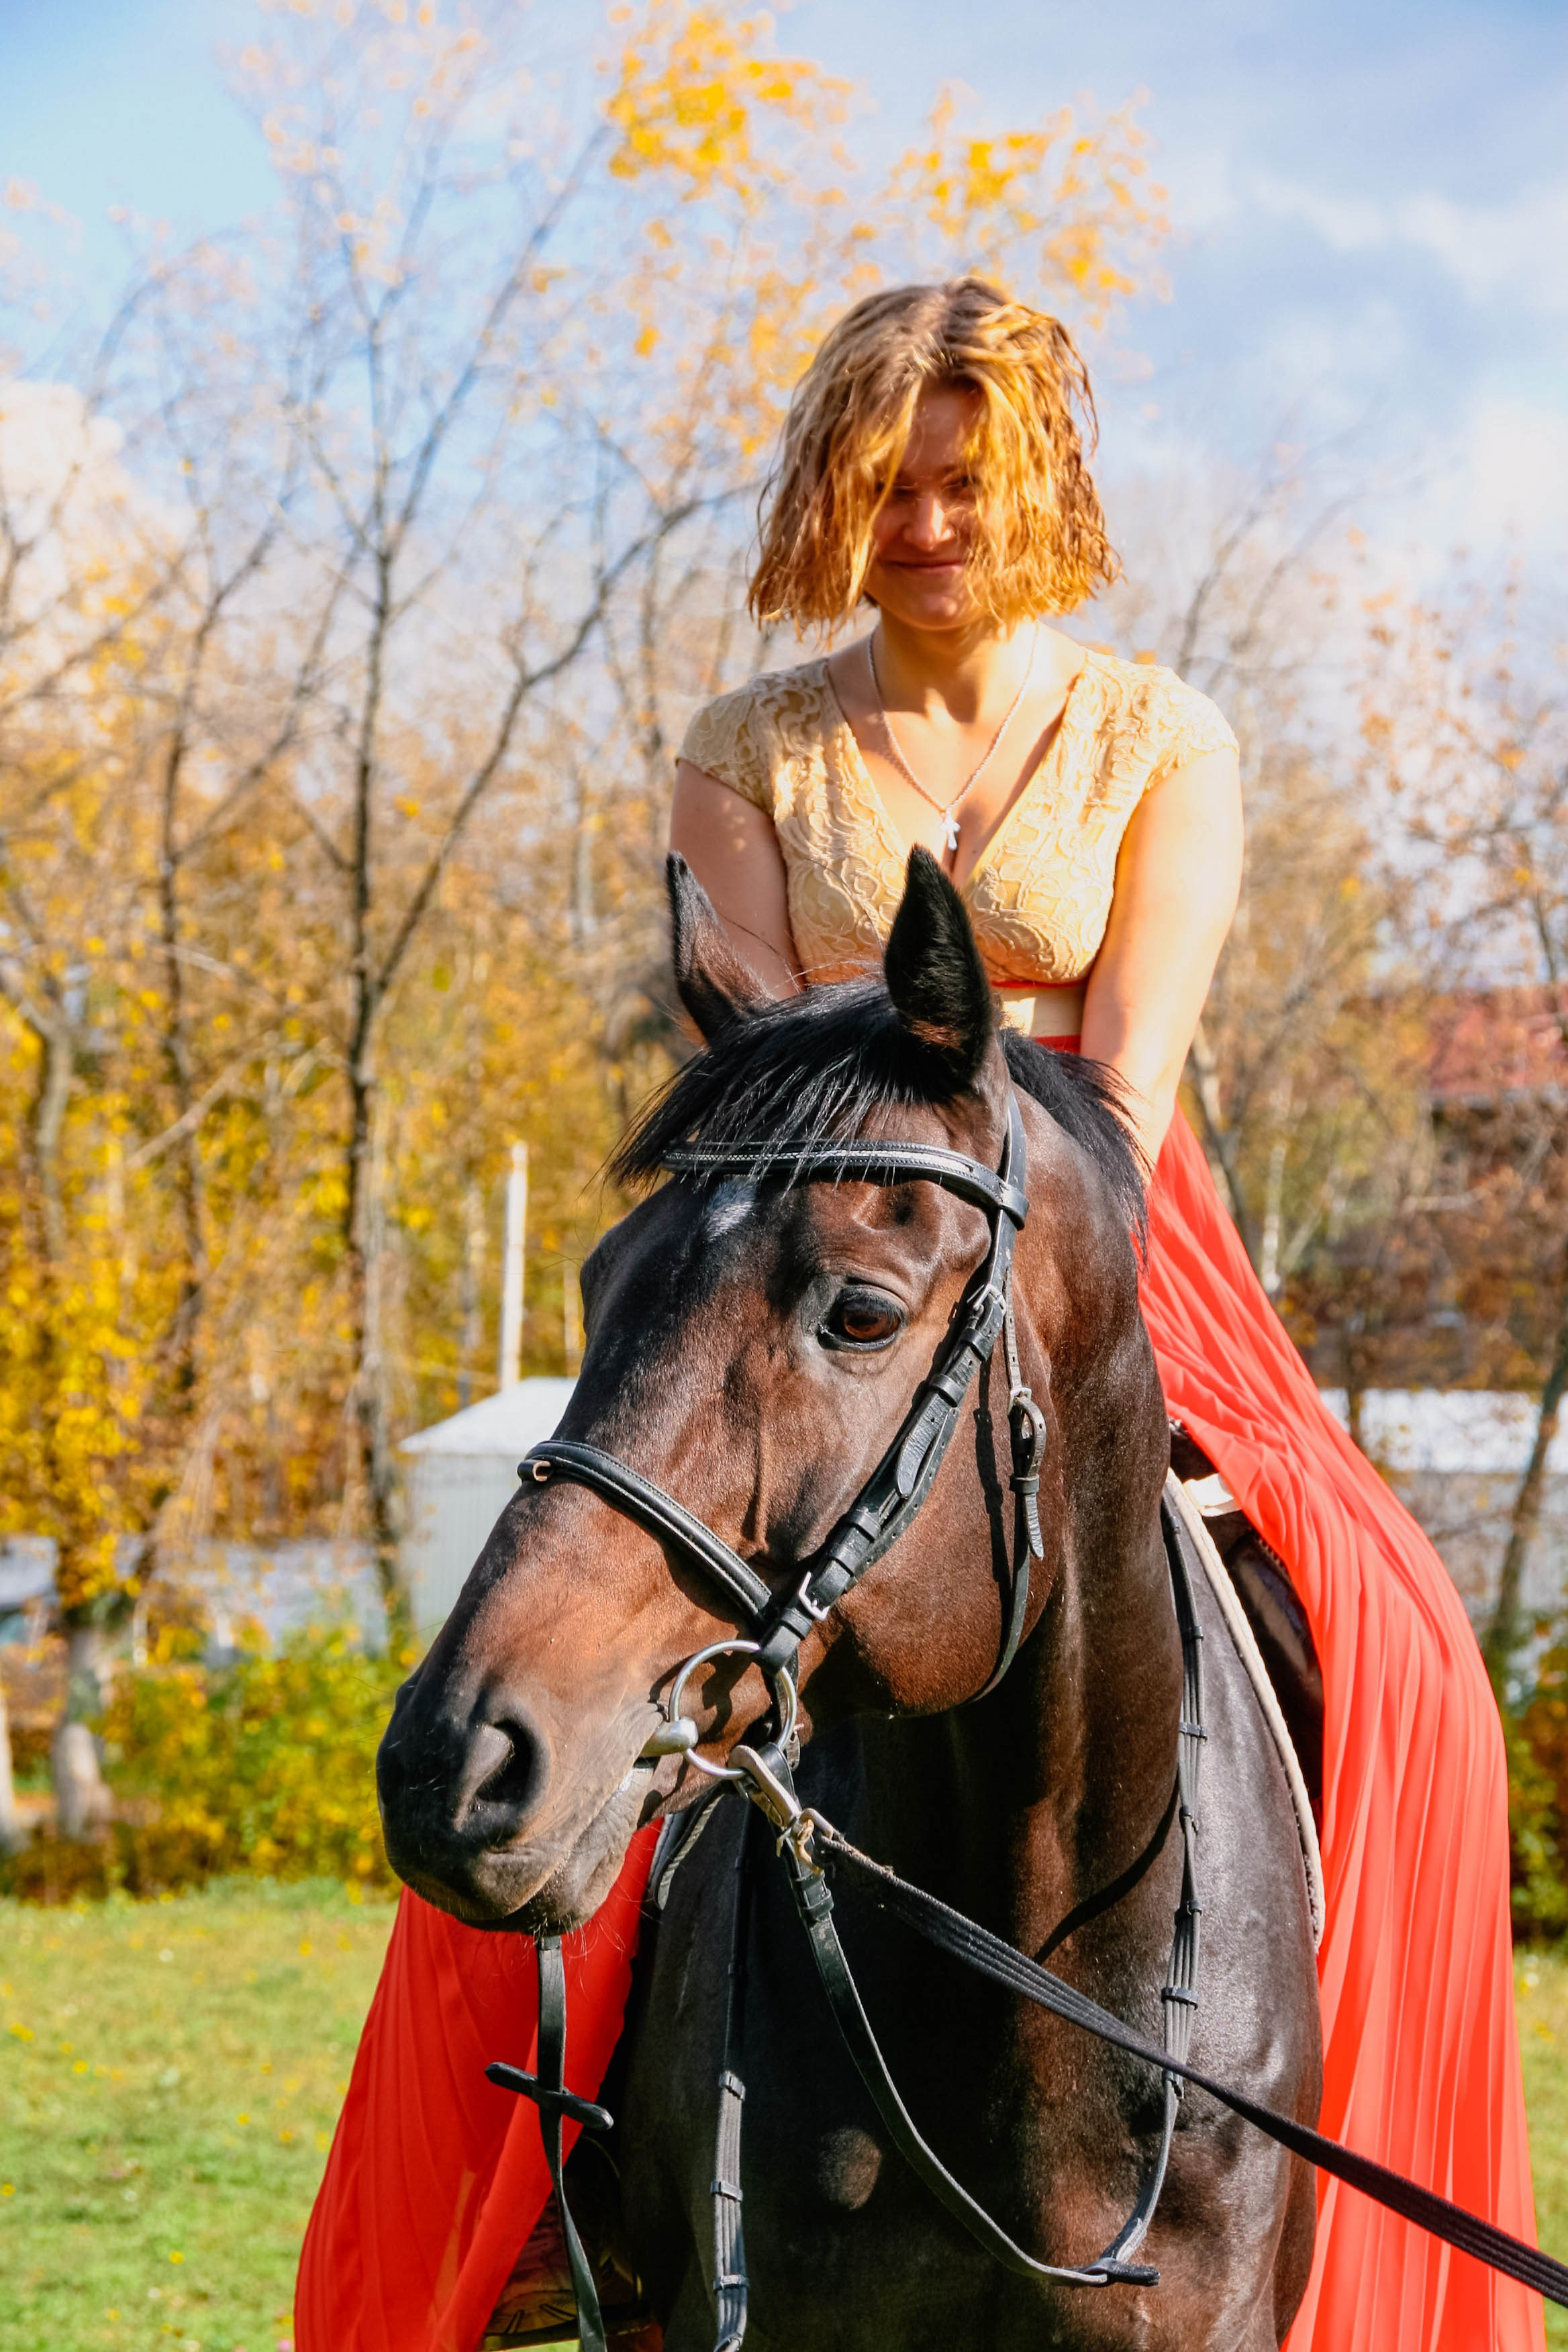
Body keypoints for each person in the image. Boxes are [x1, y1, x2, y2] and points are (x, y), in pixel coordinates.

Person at [298, 279, 1542, 2352]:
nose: (925, 519)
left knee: (1414, 1656)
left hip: (1097, 1230)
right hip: (824, 1253)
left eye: (963, 479)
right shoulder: (747, 748)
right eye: (885, 479)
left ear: (1039, 479)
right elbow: (779, 1084)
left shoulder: (1163, 737)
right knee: (595, 1626)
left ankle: (1368, 2211)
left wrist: (1038, 1234)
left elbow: (1126, 1082)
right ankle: (543, 2188)